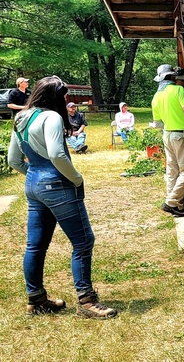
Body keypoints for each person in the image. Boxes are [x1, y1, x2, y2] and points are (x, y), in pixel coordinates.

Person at [7, 76, 117, 319]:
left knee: (35, 245)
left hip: (33, 185)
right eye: (64, 96)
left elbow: (13, 160)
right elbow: (57, 155)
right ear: (57, 97)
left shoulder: (20, 118)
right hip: (58, 185)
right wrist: (76, 178)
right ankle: (87, 301)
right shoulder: (52, 117)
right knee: (83, 242)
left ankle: (35, 300)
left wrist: (36, 176)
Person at [151, 64, 184, 216]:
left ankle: (176, 202)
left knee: (172, 170)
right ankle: (171, 201)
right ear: (172, 77)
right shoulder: (179, 90)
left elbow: (157, 122)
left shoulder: (156, 96)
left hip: (167, 134)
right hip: (182, 134)